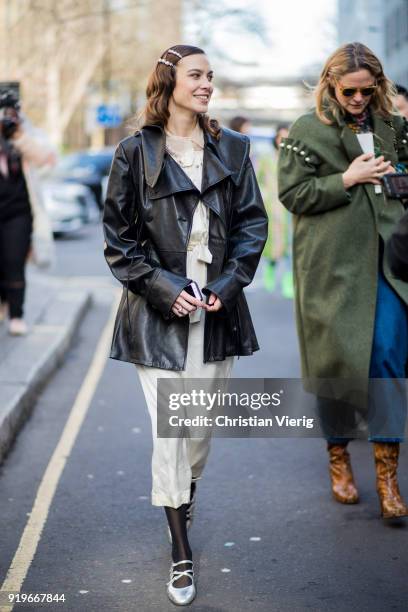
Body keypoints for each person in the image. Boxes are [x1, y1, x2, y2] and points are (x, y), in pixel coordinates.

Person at [103, 45, 267, 605]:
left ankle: (184, 493)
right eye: (196, 76)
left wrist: (223, 288)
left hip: (217, 315)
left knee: (196, 436)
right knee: (171, 431)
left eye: (210, 77)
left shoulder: (235, 149)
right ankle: (180, 552)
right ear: (170, 81)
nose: (206, 85)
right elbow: (119, 243)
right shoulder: (133, 153)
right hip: (157, 318)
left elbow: (251, 227)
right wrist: (166, 291)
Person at [278, 42, 408, 520]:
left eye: (366, 91)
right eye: (349, 91)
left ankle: (388, 479)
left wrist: (399, 178)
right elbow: (293, 193)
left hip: (390, 264)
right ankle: (338, 458)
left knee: (388, 360)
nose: (357, 99)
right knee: (336, 366)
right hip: (332, 267)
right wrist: (347, 179)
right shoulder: (307, 130)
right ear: (331, 83)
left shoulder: (393, 126)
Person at [0, 89, 55, 335]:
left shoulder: (23, 128)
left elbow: (47, 159)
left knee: (14, 261)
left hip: (18, 210)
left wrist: (19, 135)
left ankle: (16, 314)